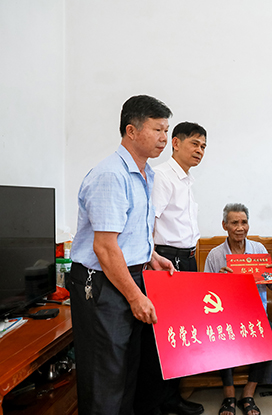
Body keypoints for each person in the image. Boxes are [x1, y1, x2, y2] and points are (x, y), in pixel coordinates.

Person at [68, 95, 175, 415]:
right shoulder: (110, 175)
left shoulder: (146, 174)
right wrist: (134, 296)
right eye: (157, 130)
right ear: (131, 130)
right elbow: (104, 247)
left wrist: (150, 255)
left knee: (128, 372)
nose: (164, 138)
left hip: (130, 276)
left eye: (166, 130)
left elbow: (128, 230)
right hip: (103, 285)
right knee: (106, 377)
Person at [134, 122, 207, 415]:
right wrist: (149, 260)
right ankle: (151, 404)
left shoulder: (186, 179)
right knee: (159, 338)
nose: (200, 150)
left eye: (203, 146)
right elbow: (148, 222)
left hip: (186, 260)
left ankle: (171, 397)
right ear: (175, 143)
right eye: (194, 144)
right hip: (165, 262)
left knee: (180, 334)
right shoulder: (163, 176)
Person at [205, 203, 272, 415]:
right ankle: (228, 393)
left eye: (244, 222)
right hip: (226, 315)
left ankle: (249, 392)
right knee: (223, 334)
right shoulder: (215, 255)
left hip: (255, 315)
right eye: (234, 223)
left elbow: (271, 286)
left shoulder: (259, 250)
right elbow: (206, 294)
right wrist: (220, 281)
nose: (240, 227)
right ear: (225, 225)